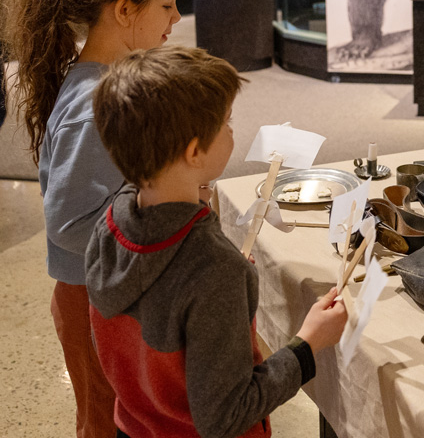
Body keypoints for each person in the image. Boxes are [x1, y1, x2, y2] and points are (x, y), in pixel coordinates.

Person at [86, 46, 348, 437]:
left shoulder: (108, 225)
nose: (231, 131)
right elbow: (225, 415)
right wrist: (309, 343)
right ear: (194, 152)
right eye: (226, 123)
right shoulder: (214, 268)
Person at [0, 0, 181, 437]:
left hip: (110, 293)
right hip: (93, 301)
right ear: (125, 10)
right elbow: (69, 224)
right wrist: (157, 204)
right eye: (167, 5)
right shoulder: (92, 106)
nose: (176, 19)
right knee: (103, 424)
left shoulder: (109, 85)